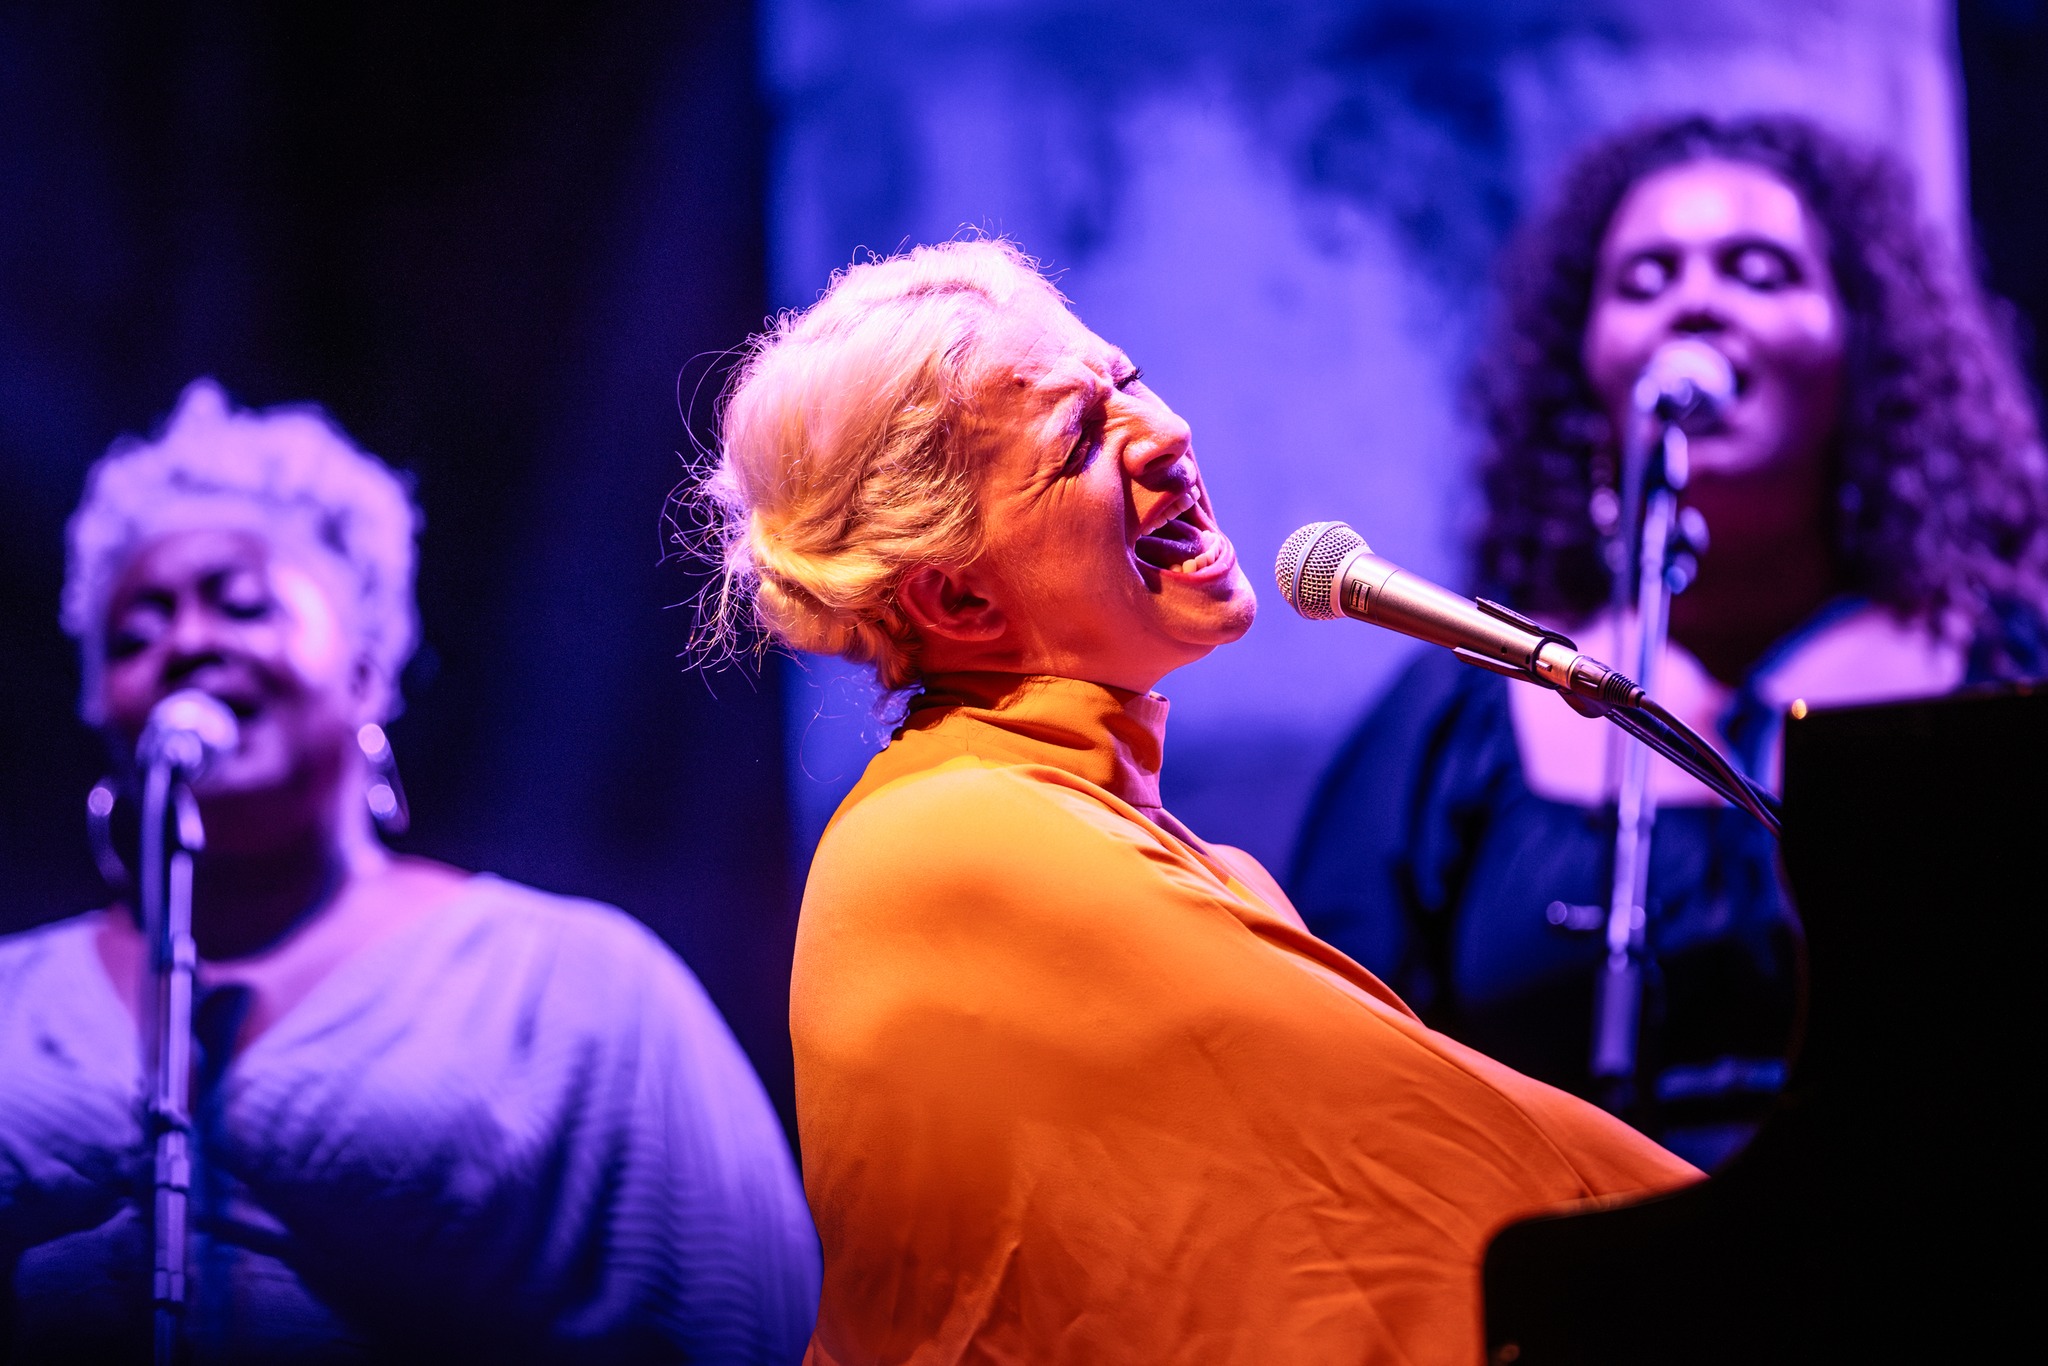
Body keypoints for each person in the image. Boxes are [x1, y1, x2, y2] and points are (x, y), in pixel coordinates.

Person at [698, 238, 1696, 1366]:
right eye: (1080, 438)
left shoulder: (1106, 833)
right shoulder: (952, 845)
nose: (1165, 431)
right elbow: (1445, 1160)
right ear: (958, 600)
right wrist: (1787, 1254)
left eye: (1126, 379)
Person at [0, 380, 821, 1362]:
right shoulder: (14, 995)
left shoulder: (571, 987)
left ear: (365, 664)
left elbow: (737, 1321)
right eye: (135, 636)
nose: (186, 643)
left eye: (240, 603)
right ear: (102, 711)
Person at [1289, 114, 2048, 1171]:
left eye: (1758, 271)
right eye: (1645, 280)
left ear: (1857, 340)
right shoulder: (1461, 711)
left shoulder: (2005, 670)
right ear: (1588, 360)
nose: (1695, 304)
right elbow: (1334, 1071)